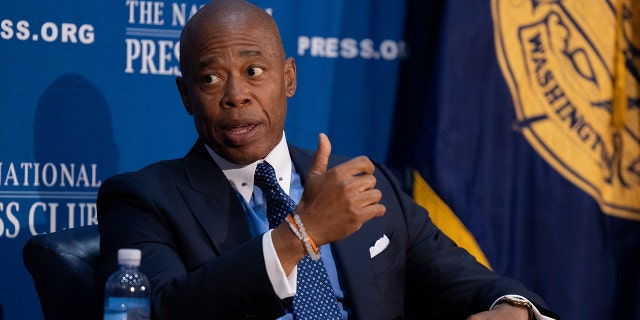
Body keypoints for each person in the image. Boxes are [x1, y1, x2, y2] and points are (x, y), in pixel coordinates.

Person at [94, 0, 558, 319]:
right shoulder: (144, 199)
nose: (236, 96)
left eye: (254, 71)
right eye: (212, 79)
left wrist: (513, 307)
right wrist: (303, 233)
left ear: (289, 78)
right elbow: (163, 310)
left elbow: (471, 283)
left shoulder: (363, 187)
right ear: (186, 96)